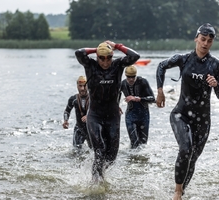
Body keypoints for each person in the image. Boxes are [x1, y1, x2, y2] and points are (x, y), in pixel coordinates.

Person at [155, 23, 219, 199]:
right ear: (196, 38)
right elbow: (161, 66)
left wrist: (216, 85)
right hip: (181, 114)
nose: (205, 44)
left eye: (209, 41)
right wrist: (160, 91)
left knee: (192, 158)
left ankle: (182, 190)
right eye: (202, 39)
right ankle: (177, 192)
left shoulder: (217, 65)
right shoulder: (183, 59)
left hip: (202, 120)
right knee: (185, 149)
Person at [75, 40, 140, 182]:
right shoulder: (90, 65)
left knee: (111, 156)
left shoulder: (117, 65)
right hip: (95, 116)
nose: (105, 61)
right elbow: (78, 53)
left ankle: (101, 175)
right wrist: (97, 49)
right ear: (97, 57)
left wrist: (117, 46)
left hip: (112, 116)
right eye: (102, 58)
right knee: (99, 150)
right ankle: (96, 183)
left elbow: (135, 56)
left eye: (109, 57)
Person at [120, 65, 155, 149]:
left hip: (144, 116)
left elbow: (152, 99)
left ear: (136, 75)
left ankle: (141, 161)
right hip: (130, 115)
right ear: (125, 76)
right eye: (129, 77)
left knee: (143, 145)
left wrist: (138, 98)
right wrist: (116, 106)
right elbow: (116, 96)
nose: (131, 79)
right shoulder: (123, 83)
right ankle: (132, 160)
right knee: (134, 143)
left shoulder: (143, 82)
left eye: (133, 77)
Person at [62, 76, 92, 149]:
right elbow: (67, 111)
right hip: (79, 128)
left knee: (95, 151)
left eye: (84, 86)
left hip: (91, 129)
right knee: (76, 152)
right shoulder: (73, 99)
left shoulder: (93, 98)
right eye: (80, 86)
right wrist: (66, 121)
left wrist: (88, 116)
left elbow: (99, 111)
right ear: (77, 86)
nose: (82, 88)